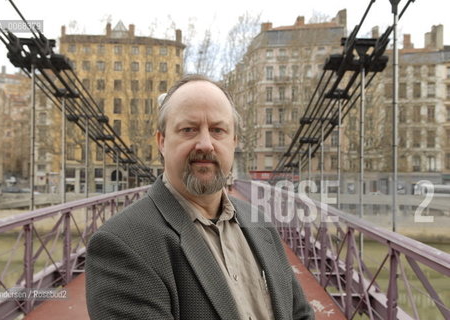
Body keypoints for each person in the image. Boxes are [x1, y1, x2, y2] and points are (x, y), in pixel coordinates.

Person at [85, 74, 314, 320]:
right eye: (189, 129)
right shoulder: (122, 244)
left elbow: (299, 313)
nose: (205, 144)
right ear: (162, 141)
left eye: (218, 130)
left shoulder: (260, 222)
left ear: (234, 141)